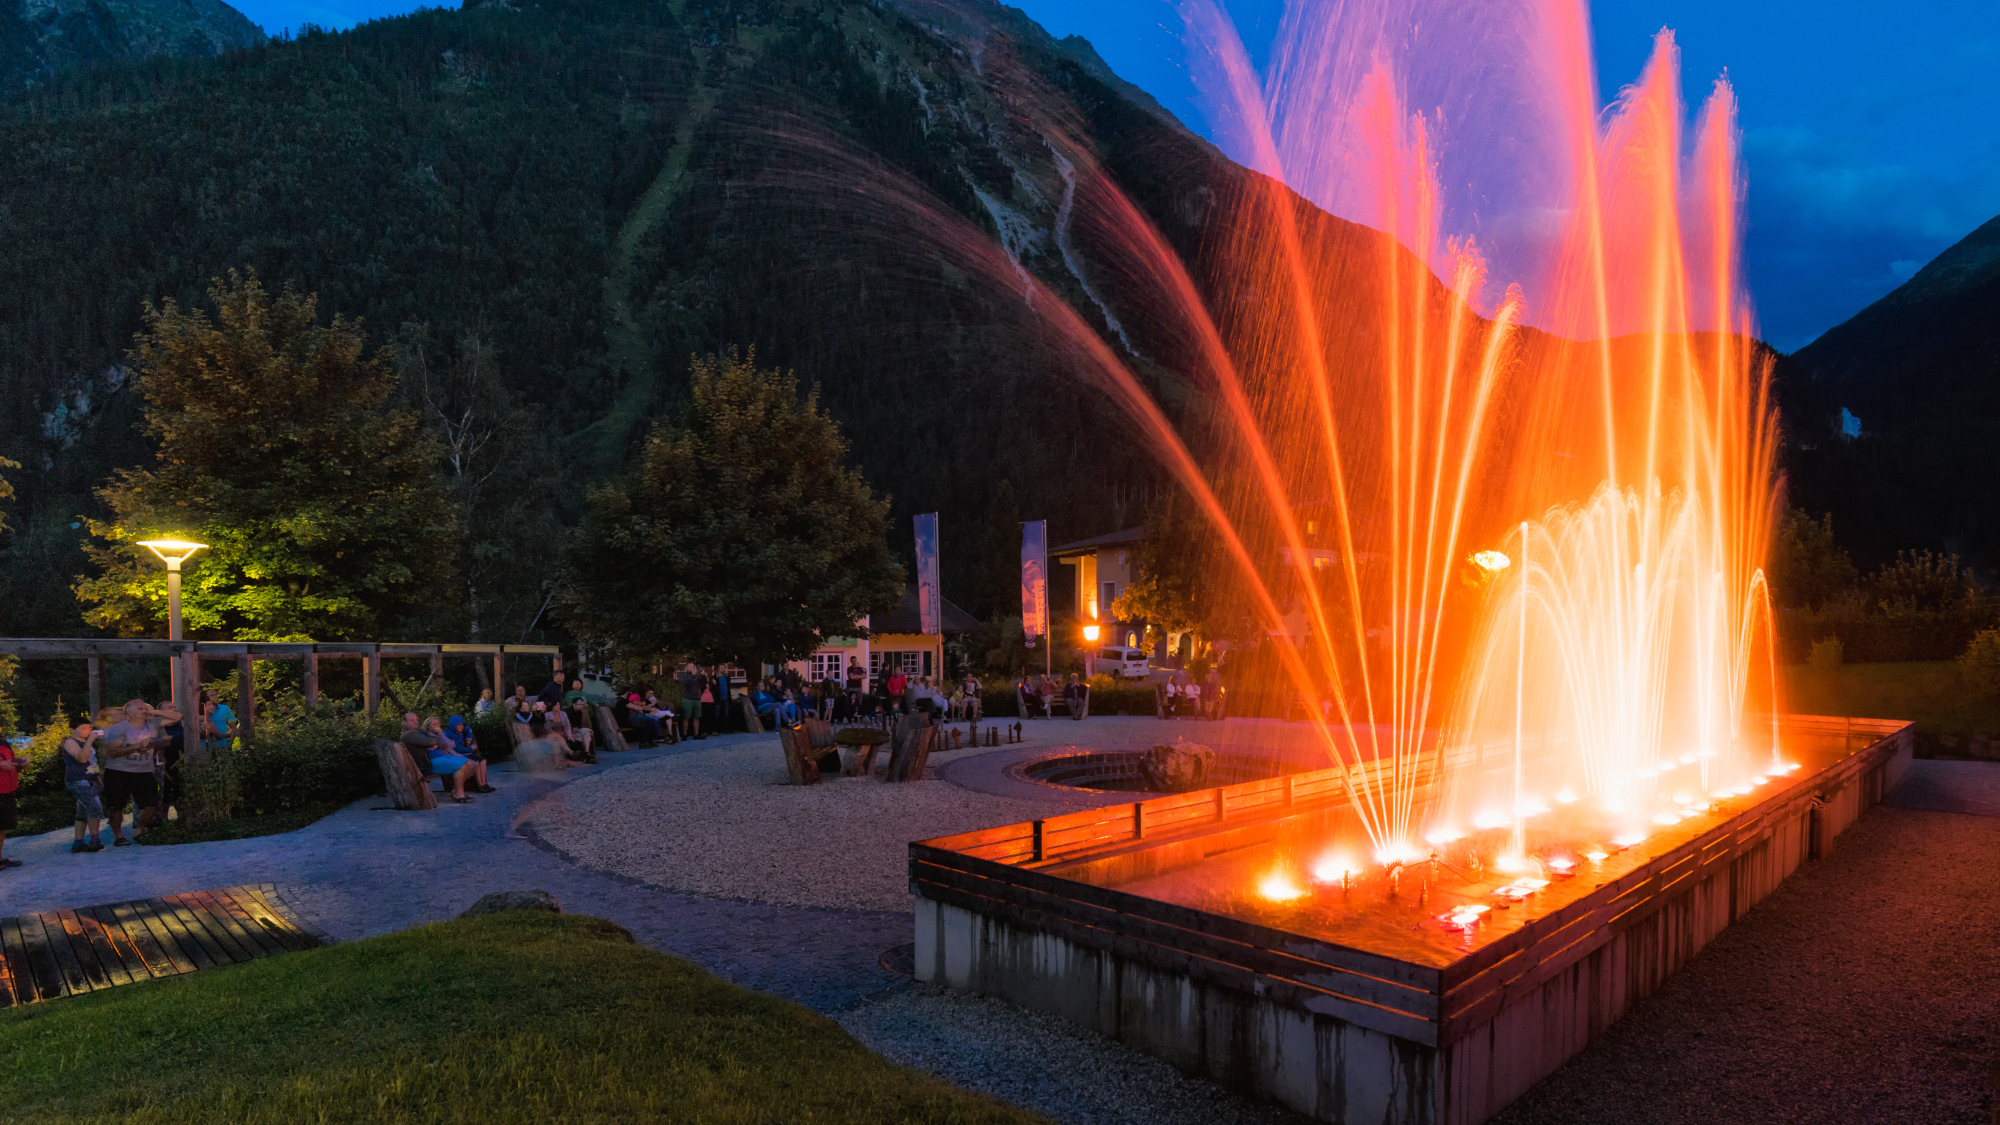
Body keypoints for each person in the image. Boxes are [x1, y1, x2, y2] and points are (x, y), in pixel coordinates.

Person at [99, 700, 163, 845]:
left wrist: (152, 712)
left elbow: (176, 717)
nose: (144, 711)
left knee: (152, 803)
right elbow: (112, 752)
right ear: (129, 713)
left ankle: (139, 830)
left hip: (144, 771)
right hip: (119, 771)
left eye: (145, 708)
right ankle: (118, 836)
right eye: (140, 709)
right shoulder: (119, 729)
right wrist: (137, 746)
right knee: (116, 806)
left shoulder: (152, 723)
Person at [400, 712, 475, 803]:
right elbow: (429, 742)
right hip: (426, 764)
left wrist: (434, 744)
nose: (416, 722)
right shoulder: (409, 735)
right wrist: (434, 744)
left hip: (430, 759)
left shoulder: (417, 732)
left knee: (466, 762)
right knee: (461, 766)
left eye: (416, 720)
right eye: (412, 720)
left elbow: (441, 744)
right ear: (404, 722)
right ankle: (459, 794)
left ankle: (456, 790)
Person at [62, 720, 105, 853]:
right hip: (79, 780)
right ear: (72, 729)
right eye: (83, 728)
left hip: (90, 780)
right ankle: (94, 840)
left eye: (89, 728)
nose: (87, 731)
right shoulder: (70, 742)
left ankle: (78, 843)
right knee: (94, 807)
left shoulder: (87, 743)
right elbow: (82, 759)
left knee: (83, 812)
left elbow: (92, 762)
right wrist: (90, 740)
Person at [442, 715, 495, 792]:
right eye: (458, 724)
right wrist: (471, 748)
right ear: (453, 725)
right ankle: (480, 785)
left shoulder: (459, 730)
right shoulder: (450, 735)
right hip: (456, 755)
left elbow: (468, 729)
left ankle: (484, 783)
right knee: (476, 761)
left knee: (482, 760)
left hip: (463, 753)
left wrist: (469, 738)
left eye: (462, 724)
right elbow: (459, 749)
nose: (461, 726)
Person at [0, 732, 20, 869]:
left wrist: (21, 762)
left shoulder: (3, 744)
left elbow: (12, 762)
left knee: (2, 827)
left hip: (6, 791)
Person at [678, 663, 705, 741]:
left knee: (697, 717)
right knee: (687, 717)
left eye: (693, 666)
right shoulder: (684, 676)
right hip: (688, 698)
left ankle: (696, 734)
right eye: (690, 666)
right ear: (686, 668)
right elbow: (684, 683)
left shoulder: (698, 675)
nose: (692, 668)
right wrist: (692, 675)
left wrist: (703, 676)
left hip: (697, 698)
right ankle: (684, 734)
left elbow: (704, 684)